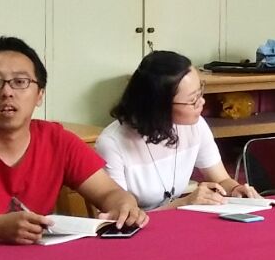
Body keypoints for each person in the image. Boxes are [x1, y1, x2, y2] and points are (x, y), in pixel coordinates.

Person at [0, 37, 146, 243]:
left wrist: (123, 205)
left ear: (40, 95)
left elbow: (108, 192)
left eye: (20, 82)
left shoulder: (57, 140)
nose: (7, 92)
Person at [96, 52, 259, 209]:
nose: (202, 102)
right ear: (159, 106)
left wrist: (235, 189)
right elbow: (122, 216)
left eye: (200, 92)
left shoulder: (196, 125)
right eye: (193, 99)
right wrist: (183, 203)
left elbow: (221, 180)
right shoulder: (112, 143)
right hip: (139, 226)